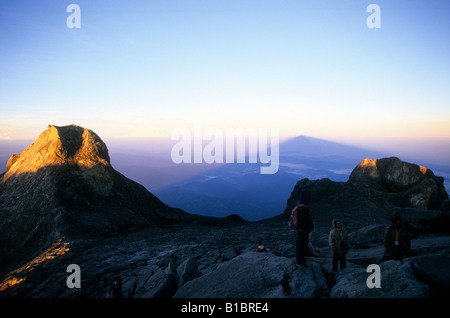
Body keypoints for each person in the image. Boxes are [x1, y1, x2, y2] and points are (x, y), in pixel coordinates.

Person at [295, 190, 314, 269]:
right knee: (302, 244)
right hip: (303, 230)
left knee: (301, 244)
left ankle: (302, 258)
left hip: (300, 230)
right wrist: (309, 227)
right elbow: (304, 220)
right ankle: (300, 262)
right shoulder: (304, 208)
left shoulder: (299, 205)